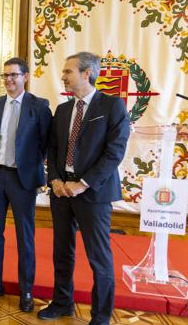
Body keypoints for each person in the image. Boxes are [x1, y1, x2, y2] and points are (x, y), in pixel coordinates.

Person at [38, 52, 129, 325]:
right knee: (61, 251)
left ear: (87, 73)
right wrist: (54, 179)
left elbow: (114, 152)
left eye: (68, 71)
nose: (63, 76)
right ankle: (62, 303)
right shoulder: (64, 109)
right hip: (62, 191)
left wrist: (83, 183)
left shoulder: (113, 106)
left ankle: (100, 317)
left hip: (94, 193)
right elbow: (52, 149)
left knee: (99, 257)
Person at [0, 58, 52, 313]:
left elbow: (47, 143)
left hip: (22, 180)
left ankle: (26, 290)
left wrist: (32, 166)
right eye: (5, 76)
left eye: (14, 75)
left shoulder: (39, 106)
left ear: (25, 77)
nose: (9, 80)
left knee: (24, 237)